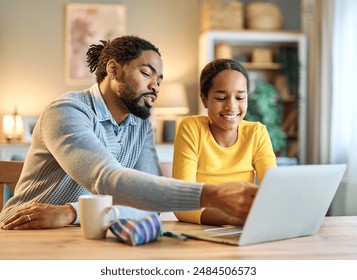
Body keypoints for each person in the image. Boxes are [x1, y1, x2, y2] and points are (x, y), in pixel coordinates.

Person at [0, 36, 258, 230]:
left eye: (159, 80)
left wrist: (72, 212)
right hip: (23, 230)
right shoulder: (67, 112)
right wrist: (212, 194)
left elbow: (149, 207)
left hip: (81, 233)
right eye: (146, 73)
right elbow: (107, 178)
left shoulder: (139, 124)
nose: (154, 87)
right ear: (114, 70)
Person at [173, 59, 277, 226]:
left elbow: (273, 191)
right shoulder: (191, 128)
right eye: (221, 98)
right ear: (204, 100)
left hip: (244, 227)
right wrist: (234, 218)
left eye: (240, 97)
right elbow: (182, 204)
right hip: (204, 229)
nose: (231, 106)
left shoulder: (257, 133)